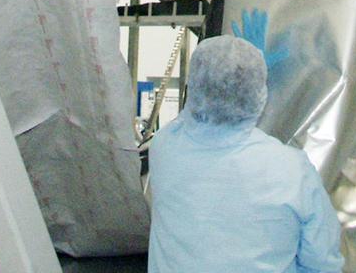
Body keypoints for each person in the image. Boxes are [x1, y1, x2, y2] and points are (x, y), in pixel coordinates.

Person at [147, 36, 344, 273]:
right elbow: (322, 263)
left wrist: (229, 77)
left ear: (194, 86)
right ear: (258, 92)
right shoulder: (292, 169)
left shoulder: (165, 149)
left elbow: (187, 119)